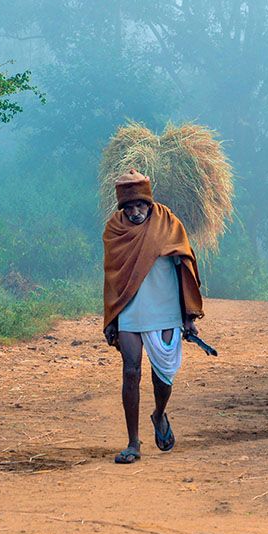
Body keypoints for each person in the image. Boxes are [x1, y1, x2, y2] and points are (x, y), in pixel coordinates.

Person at [101, 169, 204, 464]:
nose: (135, 212)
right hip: (130, 310)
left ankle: (159, 413)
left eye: (140, 205)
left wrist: (188, 316)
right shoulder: (113, 231)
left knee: (164, 376)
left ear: (149, 202)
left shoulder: (168, 223)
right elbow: (112, 278)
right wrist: (112, 317)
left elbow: (185, 267)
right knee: (131, 371)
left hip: (166, 309)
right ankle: (133, 443)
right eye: (128, 207)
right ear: (121, 208)